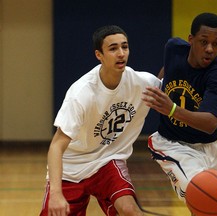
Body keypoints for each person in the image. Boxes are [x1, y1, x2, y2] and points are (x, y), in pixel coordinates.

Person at [141, 12, 217, 212]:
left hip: (211, 145)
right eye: (203, 41)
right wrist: (157, 85)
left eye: (216, 43)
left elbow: (210, 123)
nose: (209, 49)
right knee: (201, 193)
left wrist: (172, 108)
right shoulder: (174, 48)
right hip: (173, 143)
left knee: (214, 206)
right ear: (191, 40)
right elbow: (169, 71)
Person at [39, 25, 161, 216]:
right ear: (99, 55)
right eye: (113, 49)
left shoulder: (142, 83)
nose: (121, 53)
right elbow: (56, 146)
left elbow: (178, 84)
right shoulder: (81, 93)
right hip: (72, 167)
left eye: (124, 47)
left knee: (130, 210)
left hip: (107, 160)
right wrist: (55, 194)